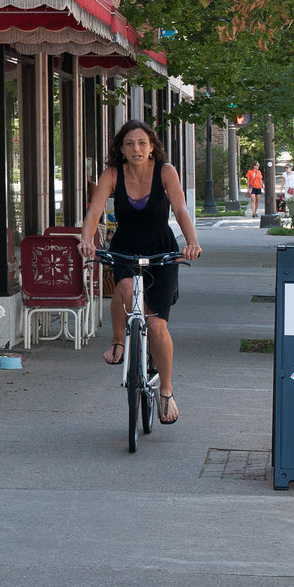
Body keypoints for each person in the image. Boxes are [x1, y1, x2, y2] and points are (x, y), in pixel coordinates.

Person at [79, 120, 201, 425]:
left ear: (152, 146)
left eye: (142, 143)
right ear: (121, 148)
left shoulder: (165, 172)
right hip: (126, 245)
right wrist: (86, 240)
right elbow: (94, 211)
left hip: (161, 248)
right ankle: (118, 340)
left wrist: (192, 242)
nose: (136, 148)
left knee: (157, 325)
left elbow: (180, 209)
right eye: (130, 143)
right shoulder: (112, 174)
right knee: (125, 289)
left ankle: (166, 391)